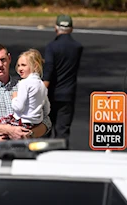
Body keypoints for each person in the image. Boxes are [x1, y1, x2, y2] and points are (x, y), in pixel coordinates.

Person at [0, 43, 52, 151]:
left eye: (3, 60)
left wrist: (28, 134)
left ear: (9, 58)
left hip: (25, 146)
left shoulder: (27, 85)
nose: (0, 64)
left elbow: (46, 120)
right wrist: (8, 130)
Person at [43, 14, 83, 143]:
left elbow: (49, 70)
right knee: (63, 131)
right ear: (71, 29)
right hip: (68, 93)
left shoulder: (52, 47)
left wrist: (41, 92)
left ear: (56, 28)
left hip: (51, 95)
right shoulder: (77, 47)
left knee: (45, 130)